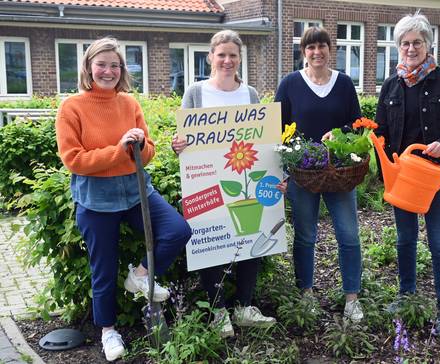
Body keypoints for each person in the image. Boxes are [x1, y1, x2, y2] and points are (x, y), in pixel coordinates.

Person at [55, 37, 192, 361]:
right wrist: (117, 150)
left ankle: (140, 275)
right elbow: (74, 159)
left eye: (114, 65)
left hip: (135, 192)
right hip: (96, 200)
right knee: (102, 269)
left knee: (178, 230)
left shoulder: (129, 104)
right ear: (88, 66)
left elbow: (150, 153)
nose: (108, 71)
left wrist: (141, 143)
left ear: (122, 70)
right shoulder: (71, 107)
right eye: (101, 64)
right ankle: (108, 332)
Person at [171, 29, 276, 338]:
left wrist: (273, 176)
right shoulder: (196, 92)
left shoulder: (251, 94)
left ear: (239, 58)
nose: (227, 60)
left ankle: (244, 307)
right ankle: (218, 312)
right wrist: (176, 145)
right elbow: (183, 139)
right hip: (206, 180)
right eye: (222, 55)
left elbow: (263, 141)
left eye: (232, 55)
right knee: (210, 242)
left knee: (249, 236)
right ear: (210, 57)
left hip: (242, 176)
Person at [375, 11, 440, 339]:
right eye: (405, 43)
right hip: (404, 178)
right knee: (405, 239)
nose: (411, 48)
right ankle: (406, 295)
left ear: (428, 45)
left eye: (417, 42)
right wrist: (385, 171)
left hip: (436, 178)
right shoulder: (390, 85)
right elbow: (381, 133)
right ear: (398, 47)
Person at [274, 26, 364, 322]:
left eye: (322, 46)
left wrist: (338, 136)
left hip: (339, 173)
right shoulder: (289, 85)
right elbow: (276, 129)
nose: (316, 52)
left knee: (349, 235)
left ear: (330, 49)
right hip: (303, 175)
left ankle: (352, 297)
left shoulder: (344, 84)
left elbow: (356, 126)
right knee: (305, 236)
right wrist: (283, 169)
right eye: (310, 47)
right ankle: (307, 293)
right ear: (304, 52)